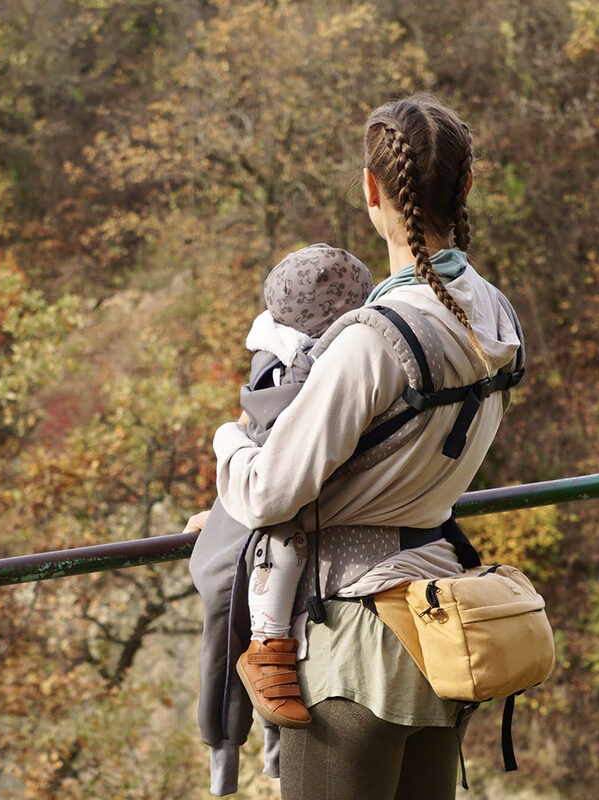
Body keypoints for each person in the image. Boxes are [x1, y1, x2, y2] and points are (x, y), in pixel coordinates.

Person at [189, 93, 524, 800]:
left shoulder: (374, 339)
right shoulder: (495, 312)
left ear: (372, 190)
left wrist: (228, 444)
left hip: (352, 645)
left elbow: (266, 491)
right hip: (438, 628)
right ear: (467, 186)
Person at [188, 244, 374, 795]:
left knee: (233, 596)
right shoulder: (349, 353)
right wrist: (225, 503)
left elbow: (260, 450)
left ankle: (235, 757)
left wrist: (225, 445)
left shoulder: (301, 364)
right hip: (324, 513)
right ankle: (263, 752)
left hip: (295, 513)